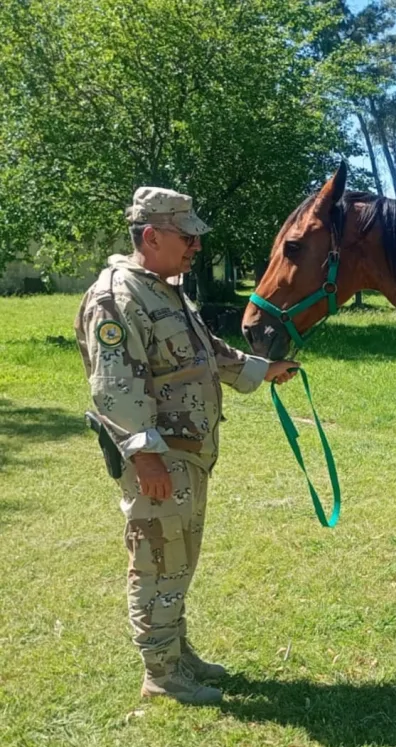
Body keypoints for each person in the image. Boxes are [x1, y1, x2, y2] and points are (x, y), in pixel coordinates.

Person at [75, 187, 300, 705]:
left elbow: (205, 353)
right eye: (187, 236)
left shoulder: (164, 288)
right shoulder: (117, 298)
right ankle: (160, 671)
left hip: (188, 453)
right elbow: (114, 386)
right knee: (156, 561)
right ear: (151, 236)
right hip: (160, 459)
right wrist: (146, 455)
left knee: (178, 559)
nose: (196, 245)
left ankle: (177, 652)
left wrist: (263, 370)